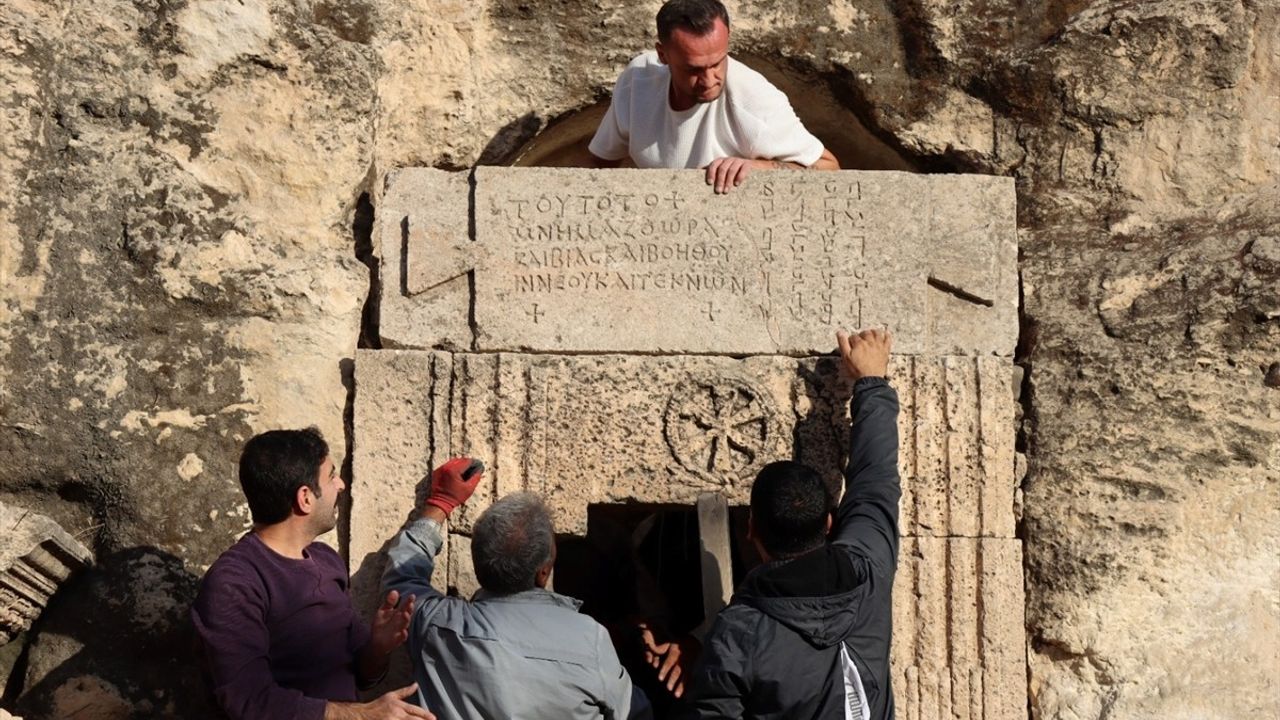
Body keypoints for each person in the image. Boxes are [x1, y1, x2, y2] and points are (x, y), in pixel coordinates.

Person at [671, 328, 901, 719]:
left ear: (751, 531)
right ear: (829, 522)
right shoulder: (869, 571)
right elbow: (876, 478)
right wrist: (872, 381)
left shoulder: (739, 633)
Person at [192, 428, 434, 720]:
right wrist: (364, 715)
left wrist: (378, 647)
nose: (341, 485)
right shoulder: (235, 583)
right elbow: (249, 701)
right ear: (305, 498)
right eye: (331, 475)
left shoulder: (326, 560)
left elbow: (360, 674)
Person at [382, 461, 647, 719]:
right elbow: (632, 711)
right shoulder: (591, 639)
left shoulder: (438, 624)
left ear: (477, 566)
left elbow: (401, 579)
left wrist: (439, 504)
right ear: (543, 572)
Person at [588, 0, 840, 193]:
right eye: (693, 69)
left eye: (718, 63)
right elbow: (600, 162)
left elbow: (830, 169)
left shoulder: (755, 100)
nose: (709, 81)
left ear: (727, 40)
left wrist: (760, 168)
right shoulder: (638, 81)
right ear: (662, 55)